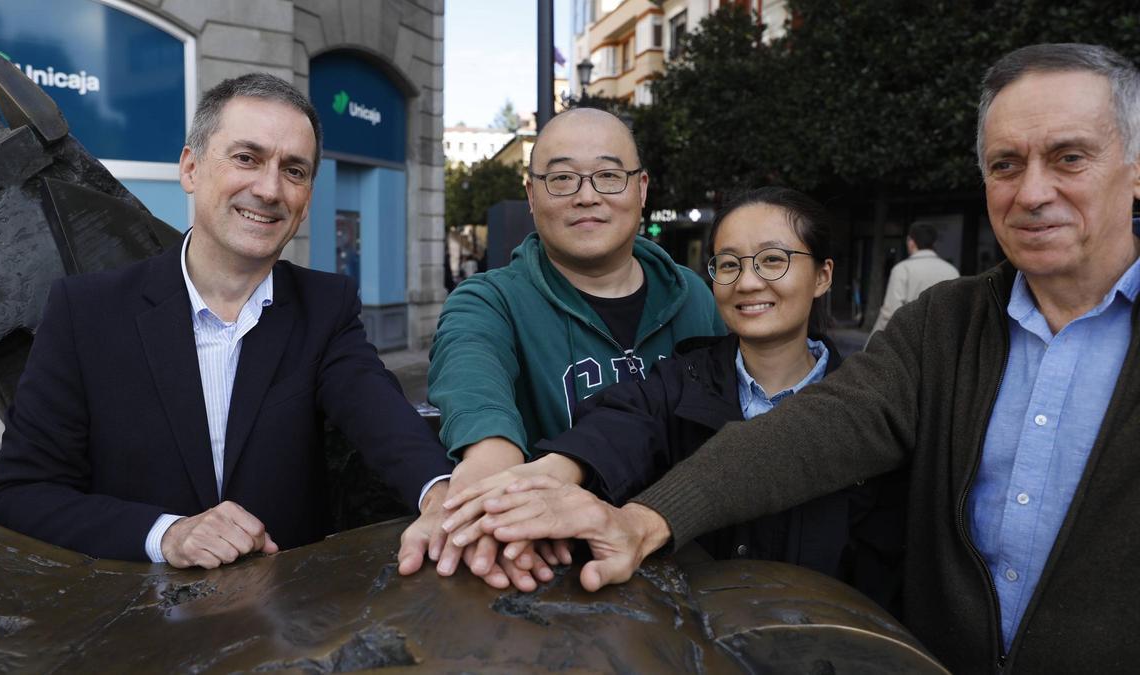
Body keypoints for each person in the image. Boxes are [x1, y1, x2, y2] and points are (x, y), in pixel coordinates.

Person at [449, 43, 1140, 673]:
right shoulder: (939, 326)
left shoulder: (728, 316)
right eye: (1005, 165)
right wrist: (571, 495)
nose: (1032, 191)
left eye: (1069, 158)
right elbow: (808, 428)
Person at [0, 73, 453, 569]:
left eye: (294, 171)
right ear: (191, 168)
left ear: (308, 197)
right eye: (246, 158)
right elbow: (19, 494)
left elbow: (383, 417)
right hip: (134, 607)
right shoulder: (86, 312)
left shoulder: (325, 306)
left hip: (283, 606)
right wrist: (166, 535)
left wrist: (440, 496)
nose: (269, 189)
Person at [442, 187, 905, 610]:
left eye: (772, 260)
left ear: (823, 275)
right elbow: (621, 424)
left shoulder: (865, 405)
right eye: (729, 264)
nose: (747, 282)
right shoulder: (681, 379)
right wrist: (539, 480)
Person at [396, 107, 725, 590]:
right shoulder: (489, 299)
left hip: (693, 566)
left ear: (641, 188)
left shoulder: (696, 296)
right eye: (562, 178)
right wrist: (490, 481)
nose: (587, 196)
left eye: (609, 176)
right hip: (550, 574)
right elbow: (471, 377)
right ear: (531, 195)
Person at [870, 222, 960, 334]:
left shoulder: (902, 269)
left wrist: (875, 339)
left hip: (911, 336)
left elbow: (890, 313)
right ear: (934, 243)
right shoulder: (952, 271)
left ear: (911, 242)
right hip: (942, 337)